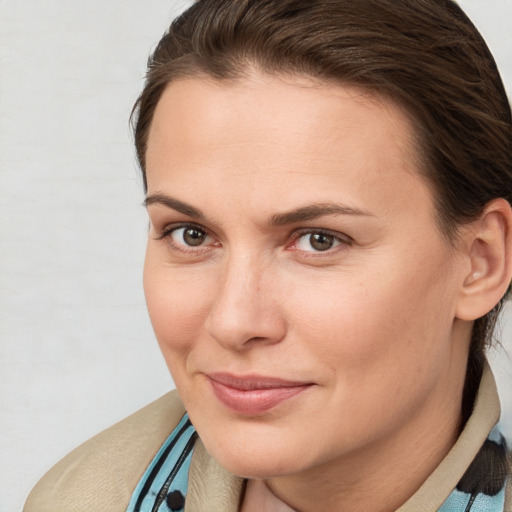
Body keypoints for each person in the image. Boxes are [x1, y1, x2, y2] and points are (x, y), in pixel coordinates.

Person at [24, 0, 512, 510]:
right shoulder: (78, 497)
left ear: (481, 262)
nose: (234, 322)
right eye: (190, 234)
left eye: (318, 240)